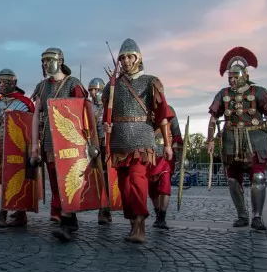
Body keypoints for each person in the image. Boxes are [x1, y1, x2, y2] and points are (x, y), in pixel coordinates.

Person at [102, 39, 174, 244]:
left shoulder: (151, 82)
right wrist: (106, 127)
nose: (125, 61)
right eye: (122, 57)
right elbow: (106, 116)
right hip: (119, 142)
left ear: (138, 58)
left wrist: (167, 145)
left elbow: (161, 117)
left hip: (142, 140)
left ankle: (141, 225)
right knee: (124, 187)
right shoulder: (112, 86)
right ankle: (133, 223)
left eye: (129, 56)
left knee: (137, 180)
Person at [207, 47, 267, 230]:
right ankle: (242, 215)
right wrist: (210, 139)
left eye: (235, 77)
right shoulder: (223, 94)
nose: (232, 81)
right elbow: (213, 118)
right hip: (230, 141)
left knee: (258, 177)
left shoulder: (258, 92)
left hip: (256, 140)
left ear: (244, 75)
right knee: (233, 181)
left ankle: (257, 217)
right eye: (230, 78)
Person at [31, 48, 89, 241]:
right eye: (43, 61)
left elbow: (83, 114)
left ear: (60, 60)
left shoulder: (74, 84)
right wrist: (34, 145)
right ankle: (69, 220)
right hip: (49, 142)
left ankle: (66, 222)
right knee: (56, 185)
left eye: (49, 60)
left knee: (67, 182)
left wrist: (88, 143)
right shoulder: (42, 87)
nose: (46, 64)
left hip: (69, 142)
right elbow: (36, 116)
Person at [0, 68, 34, 228]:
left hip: (21, 148)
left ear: (14, 83)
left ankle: (9, 213)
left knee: (20, 179)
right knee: (5, 179)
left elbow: (33, 126)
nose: (2, 85)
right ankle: (16, 212)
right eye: (0, 82)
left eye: (6, 82)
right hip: (1, 148)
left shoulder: (25, 103)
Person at [148, 105, 183, 229]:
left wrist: (178, 152)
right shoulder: (143, 107)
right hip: (148, 154)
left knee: (165, 184)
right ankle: (158, 213)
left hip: (165, 154)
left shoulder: (169, 110)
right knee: (152, 190)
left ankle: (162, 216)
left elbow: (176, 133)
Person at [88, 77, 112, 225]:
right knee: (96, 179)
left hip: (106, 146)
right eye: (90, 90)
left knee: (106, 179)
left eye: (95, 89)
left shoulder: (109, 106)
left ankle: (105, 210)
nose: (92, 92)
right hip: (92, 147)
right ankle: (101, 208)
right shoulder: (88, 107)